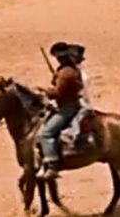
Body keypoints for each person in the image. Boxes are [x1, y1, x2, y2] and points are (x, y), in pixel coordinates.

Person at [37, 42, 88, 179]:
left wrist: (47, 91)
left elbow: (60, 93)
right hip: (68, 104)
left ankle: (52, 163)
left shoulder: (66, 73)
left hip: (67, 107)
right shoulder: (66, 70)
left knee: (46, 133)